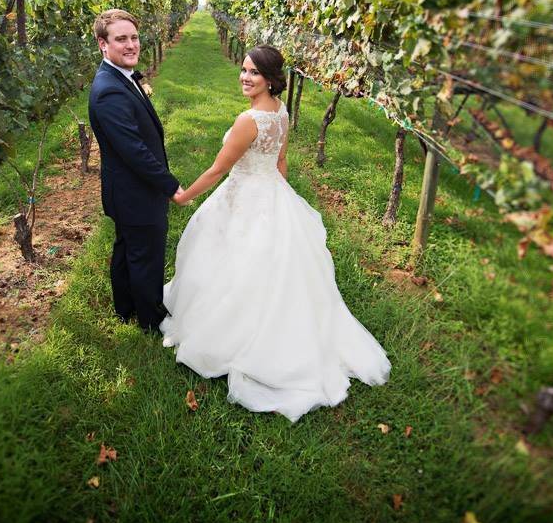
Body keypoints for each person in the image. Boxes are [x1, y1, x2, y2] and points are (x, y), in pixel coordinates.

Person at [161, 45, 391, 422]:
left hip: (246, 194)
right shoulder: (282, 113)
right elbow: (280, 162)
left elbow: (219, 170)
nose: (245, 77)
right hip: (270, 189)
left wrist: (184, 196)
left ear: (270, 79)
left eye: (253, 72)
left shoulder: (248, 120)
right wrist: (279, 199)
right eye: (243, 70)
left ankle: (232, 333)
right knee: (271, 265)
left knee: (232, 260)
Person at [88, 9, 186, 333]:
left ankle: (125, 308)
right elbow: (134, 150)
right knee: (146, 254)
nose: (131, 45)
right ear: (103, 44)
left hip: (127, 190)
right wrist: (170, 186)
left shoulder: (120, 77)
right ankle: (150, 319)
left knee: (127, 248)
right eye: (121, 39)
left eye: (134, 37)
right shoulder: (109, 90)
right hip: (135, 192)